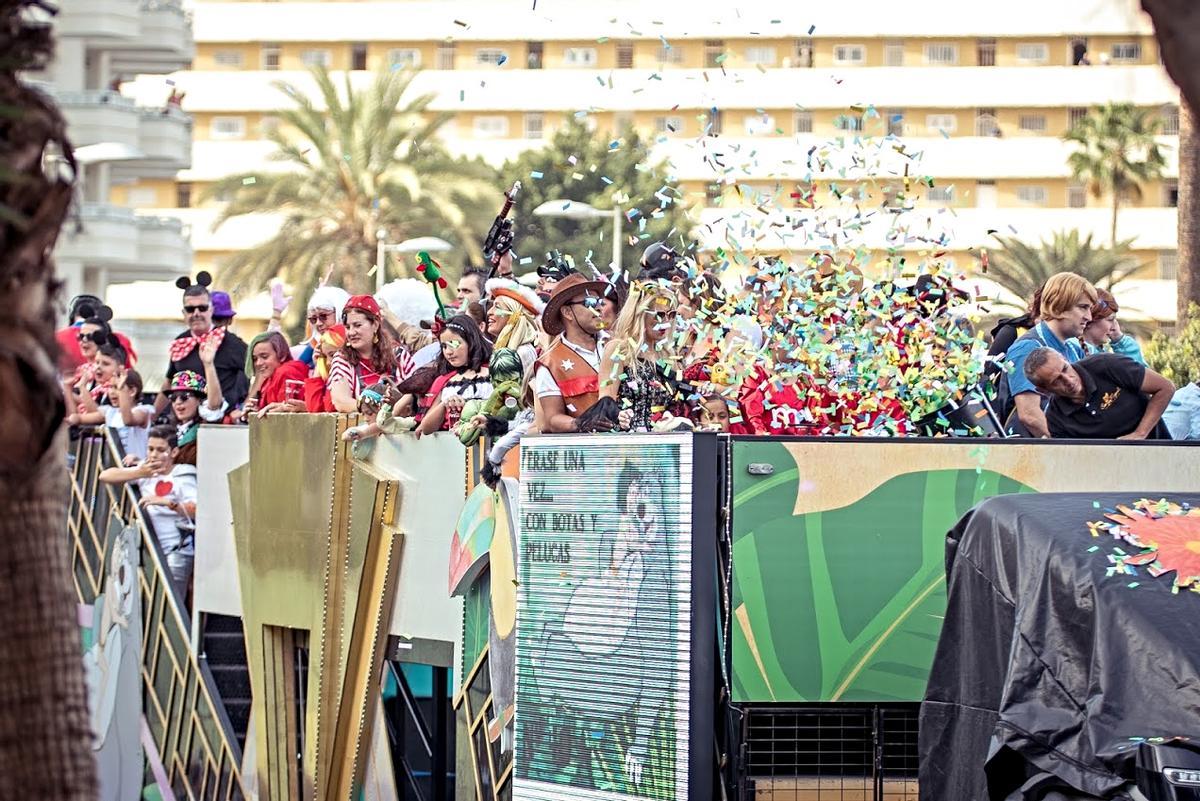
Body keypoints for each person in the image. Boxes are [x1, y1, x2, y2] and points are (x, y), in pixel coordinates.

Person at [99, 425, 197, 596]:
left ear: (173, 452)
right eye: (150, 449)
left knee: (168, 602)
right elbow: (105, 475)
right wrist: (139, 473)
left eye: (160, 450)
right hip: (146, 551)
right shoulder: (144, 471)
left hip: (176, 551)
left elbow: (196, 509)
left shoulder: (183, 474)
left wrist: (167, 503)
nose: (153, 455)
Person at [997, 272, 1096, 437]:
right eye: (1083, 307)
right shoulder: (1027, 347)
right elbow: (1030, 416)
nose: (1089, 317)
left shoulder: (1073, 347)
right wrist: (1069, 447)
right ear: (1058, 307)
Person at [1023, 348, 1175, 439]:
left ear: (1066, 359)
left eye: (1065, 369)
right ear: (1044, 391)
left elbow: (1165, 387)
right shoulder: (1056, 419)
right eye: (1056, 381)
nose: (1068, 380)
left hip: (1159, 455)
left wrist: (1140, 433)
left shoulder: (1106, 365)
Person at [597, 280, 686, 432]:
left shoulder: (669, 355)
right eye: (659, 315)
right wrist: (620, 415)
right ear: (640, 315)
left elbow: (676, 403)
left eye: (671, 315)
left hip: (664, 440)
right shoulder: (619, 349)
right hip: (626, 438)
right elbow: (606, 400)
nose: (666, 322)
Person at [534, 274, 615, 432]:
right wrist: (581, 423)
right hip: (587, 445)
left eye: (599, 302)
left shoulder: (618, 345)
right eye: (589, 303)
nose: (599, 308)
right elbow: (552, 419)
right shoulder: (550, 363)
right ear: (567, 312)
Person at [159, 273, 249, 413]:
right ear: (184, 313)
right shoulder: (180, 341)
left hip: (220, 421)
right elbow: (169, 382)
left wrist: (244, 409)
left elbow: (259, 375)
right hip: (185, 420)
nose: (196, 313)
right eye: (190, 309)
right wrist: (151, 417)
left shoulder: (232, 343)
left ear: (211, 310)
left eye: (202, 308)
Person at [327, 294, 414, 413]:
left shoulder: (399, 355)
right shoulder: (342, 359)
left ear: (375, 325)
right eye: (347, 327)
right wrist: (376, 407)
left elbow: (415, 395)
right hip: (360, 424)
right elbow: (341, 402)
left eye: (357, 325)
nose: (351, 332)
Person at [415, 315, 493, 435]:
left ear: (471, 341)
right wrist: (445, 404)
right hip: (452, 444)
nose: (448, 352)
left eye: (454, 344)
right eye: (444, 346)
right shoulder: (444, 381)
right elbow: (425, 428)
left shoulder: (495, 373)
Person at [165, 353, 227, 466]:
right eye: (173, 397)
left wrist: (208, 365)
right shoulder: (170, 431)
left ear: (200, 400)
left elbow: (214, 405)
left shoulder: (207, 426)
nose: (178, 402)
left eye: (184, 396)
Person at [242, 331, 310, 417]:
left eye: (264, 357)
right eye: (255, 359)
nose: (258, 363)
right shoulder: (269, 377)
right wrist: (254, 413)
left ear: (282, 355)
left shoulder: (286, 373)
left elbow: (287, 416)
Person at [1077, 288, 1145, 365]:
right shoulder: (1073, 350)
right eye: (1110, 319)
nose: (1115, 327)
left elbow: (1139, 370)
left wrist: (1120, 340)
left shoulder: (1100, 353)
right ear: (1090, 320)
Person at [1162, 376, 1200, 440]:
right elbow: (1197, 435)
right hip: (1168, 443)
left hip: (1154, 438)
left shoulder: (1181, 392)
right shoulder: (1197, 401)